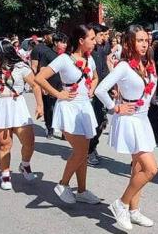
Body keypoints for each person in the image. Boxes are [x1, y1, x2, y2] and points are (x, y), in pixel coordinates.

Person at [95, 24, 158, 231]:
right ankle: (121, 204)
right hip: (130, 120)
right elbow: (100, 90)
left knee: (138, 167)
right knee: (150, 169)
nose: (144, 44)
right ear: (130, 42)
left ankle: (134, 210)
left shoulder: (147, 64)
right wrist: (115, 107)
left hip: (142, 119)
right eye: (139, 40)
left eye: (145, 40)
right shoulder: (124, 66)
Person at [35, 24, 100, 205]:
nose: (95, 42)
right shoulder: (64, 59)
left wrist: (92, 89)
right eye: (92, 38)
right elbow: (39, 77)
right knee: (79, 152)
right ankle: (63, 184)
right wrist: (58, 94)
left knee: (83, 152)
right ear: (81, 40)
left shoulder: (90, 59)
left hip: (85, 108)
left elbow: (95, 77)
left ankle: (82, 190)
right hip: (69, 109)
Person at [0, 39, 43, 190]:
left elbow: (35, 85)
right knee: (5, 144)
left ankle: (25, 164)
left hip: (17, 105)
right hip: (0, 105)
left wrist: (39, 105)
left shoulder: (22, 67)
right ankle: (5, 175)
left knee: (29, 142)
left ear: (3, 52)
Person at [87, 23, 110, 165]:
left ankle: (92, 147)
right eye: (101, 35)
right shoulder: (87, 52)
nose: (104, 38)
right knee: (95, 122)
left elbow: (104, 70)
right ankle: (88, 151)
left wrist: (111, 86)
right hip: (92, 93)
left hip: (102, 92)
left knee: (102, 122)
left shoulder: (101, 50)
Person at [38, 32, 68, 140]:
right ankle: (50, 129)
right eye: (62, 42)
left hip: (62, 86)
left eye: (66, 43)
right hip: (50, 86)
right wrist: (43, 87)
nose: (65, 45)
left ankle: (64, 131)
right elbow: (42, 70)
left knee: (63, 108)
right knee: (49, 109)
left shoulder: (66, 55)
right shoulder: (47, 54)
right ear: (55, 43)